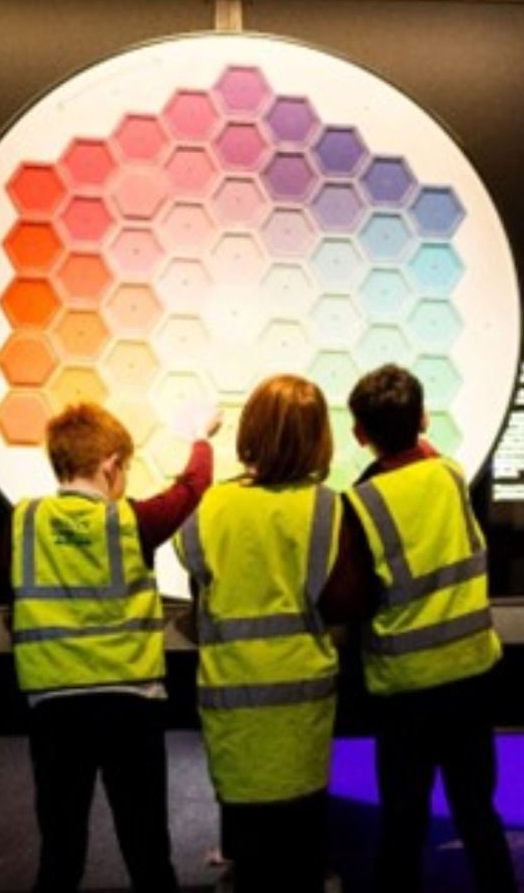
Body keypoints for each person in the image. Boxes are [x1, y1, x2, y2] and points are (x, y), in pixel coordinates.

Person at [10, 401, 218, 893]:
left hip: (55, 708)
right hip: (130, 705)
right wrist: (202, 439)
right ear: (110, 465)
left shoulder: (25, 521)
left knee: (60, 855)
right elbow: (191, 491)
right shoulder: (130, 522)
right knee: (147, 853)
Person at [342, 364, 516, 893]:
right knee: (477, 813)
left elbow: (356, 596)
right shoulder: (450, 475)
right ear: (422, 418)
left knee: (402, 821)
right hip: (470, 674)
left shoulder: (360, 503)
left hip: (404, 689)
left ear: (359, 434)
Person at [174, 375, 351, 893]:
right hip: (303, 697)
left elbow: (198, 581)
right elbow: (339, 601)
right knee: (302, 838)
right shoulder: (327, 507)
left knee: (245, 831)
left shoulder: (214, 506)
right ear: (318, 436)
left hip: (231, 696)